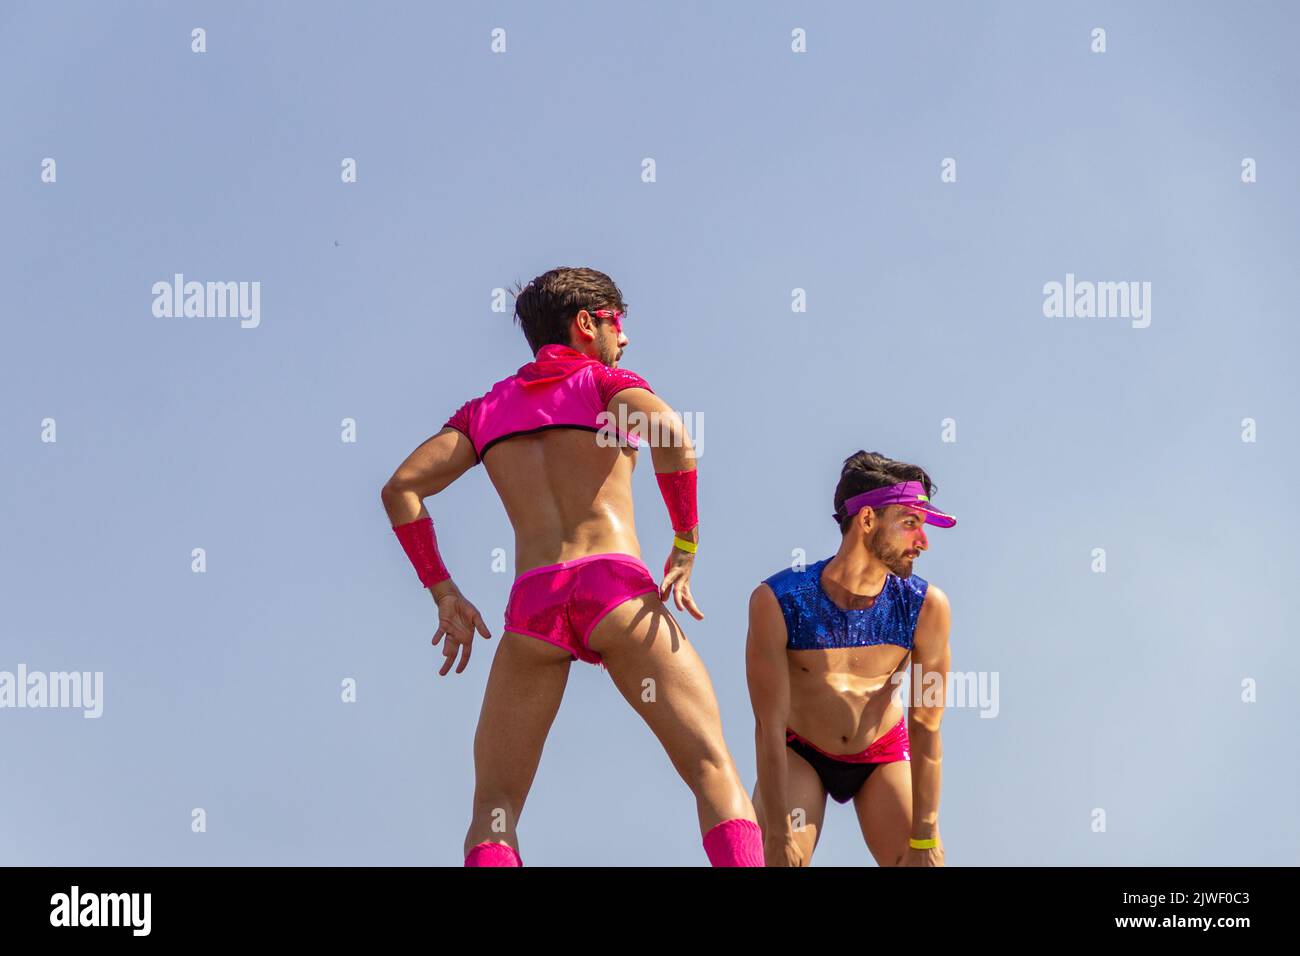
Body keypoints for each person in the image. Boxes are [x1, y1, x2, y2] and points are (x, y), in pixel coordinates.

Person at [381, 266, 762, 866]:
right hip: (614, 589)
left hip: (534, 603)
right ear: (587, 325)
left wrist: (443, 592)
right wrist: (685, 544)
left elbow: (401, 489)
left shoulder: (486, 410)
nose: (625, 338)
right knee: (712, 766)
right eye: (618, 323)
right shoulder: (602, 384)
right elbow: (673, 435)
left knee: (494, 810)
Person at [746, 450, 954, 866]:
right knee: (777, 862)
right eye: (911, 523)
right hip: (800, 752)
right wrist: (778, 835)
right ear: (866, 521)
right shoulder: (778, 600)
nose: (923, 541)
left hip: (882, 754)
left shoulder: (926, 607)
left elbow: (927, 729)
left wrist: (926, 838)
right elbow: (767, 727)